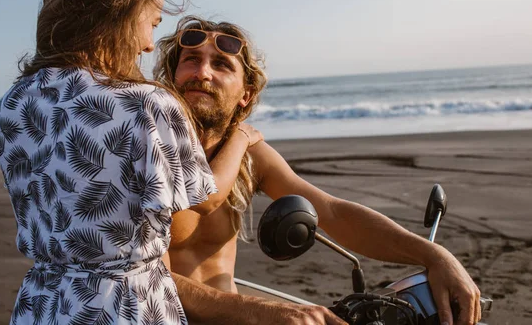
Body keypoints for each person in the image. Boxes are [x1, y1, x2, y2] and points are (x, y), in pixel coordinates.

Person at [0, 0, 342, 325]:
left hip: (42, 303)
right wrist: (243, 136)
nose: (147, 44)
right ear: (122, 11)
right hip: (125, 308)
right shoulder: (146, 105)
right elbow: (205, 199)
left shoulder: (17, 100)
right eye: (153, 21)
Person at [154, 16, 483, 325]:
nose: (203, 72)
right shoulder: (142, 151)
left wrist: (435, 255)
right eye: (191, 60)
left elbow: (333, 213)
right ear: (172, 78)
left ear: (246, 94)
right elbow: (139, 273)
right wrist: (266, 312)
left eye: (221, 64)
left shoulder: (248, 157)